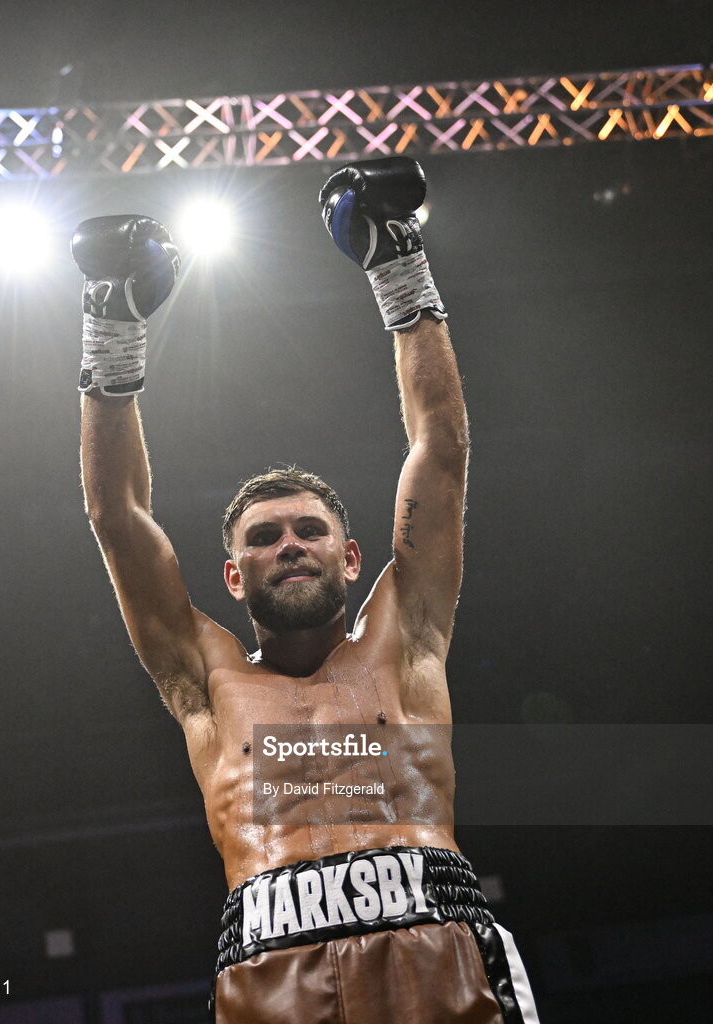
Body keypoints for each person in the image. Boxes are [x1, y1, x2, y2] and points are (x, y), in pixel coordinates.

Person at [74, 157, 540, 1023]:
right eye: (264, 538)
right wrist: (114, 325)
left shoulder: (407, 643)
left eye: (308, 530)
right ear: (232, 576)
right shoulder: (208, 684)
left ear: (353, 557)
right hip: (270, 970)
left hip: (438, 952)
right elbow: (116, 516)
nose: (289, 545)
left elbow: (440, 450)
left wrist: (397, 263)